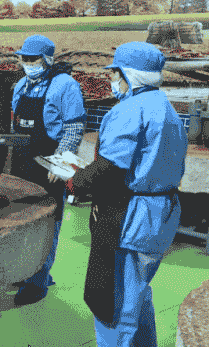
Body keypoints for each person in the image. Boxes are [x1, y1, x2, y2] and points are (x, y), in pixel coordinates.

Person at [66, 42, 186, 346]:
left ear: (129, 75)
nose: (112, 79)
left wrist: (75, 181)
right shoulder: (166, 108)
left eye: (115, 73)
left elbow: (110, 168)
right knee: (138, 293)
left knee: (115, 306)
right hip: (161, 214)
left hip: (132, 219)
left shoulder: (130, 110)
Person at [10, 34, 86, 306]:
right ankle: (23, 271)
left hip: (48, 165)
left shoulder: (65, 85)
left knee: (46, 223)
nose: (27, 63)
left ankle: (37, 282)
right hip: (21, 162)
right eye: (24, 58)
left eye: (32, 59)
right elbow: (13, 124)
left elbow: (74, 127)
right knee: (21, 220)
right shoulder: (21, 85)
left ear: (46, 60)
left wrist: (61, 163)